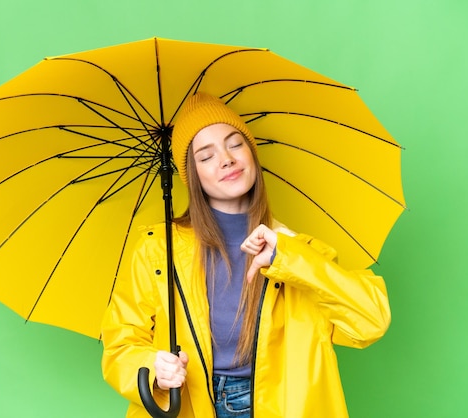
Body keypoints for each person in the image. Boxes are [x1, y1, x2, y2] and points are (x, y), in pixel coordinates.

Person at [101, 92, 391, 417]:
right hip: (192, 405)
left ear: (252, 154)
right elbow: (120, 344)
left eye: (235, 144)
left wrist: (291, 257)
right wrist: (153, 368)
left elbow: (371, 321)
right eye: (205, 156)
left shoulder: (299, 251)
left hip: (283, 407)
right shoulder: (158, 250)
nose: (226, 159)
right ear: (191, 175)